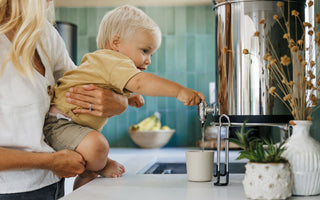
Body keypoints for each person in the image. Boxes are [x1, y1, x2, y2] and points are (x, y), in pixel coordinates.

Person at [44, 4, 205, 189]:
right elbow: (140, 82)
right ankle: (97, 167)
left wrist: (127, 99)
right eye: (144, 51)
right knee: (99, 146)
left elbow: (102, 87)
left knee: (97, 148)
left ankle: (90, 173)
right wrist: (178, 90)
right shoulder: (112, 60)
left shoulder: (107, 65)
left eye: (151, 53)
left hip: (68, 125)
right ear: (116, 43)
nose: (148, 60)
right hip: (61, 123)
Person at [0, 0, 128, 199]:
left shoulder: (44, 33)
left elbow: (78, 91)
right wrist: (48, 161)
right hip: (11, 191)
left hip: (53, 184)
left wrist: (119, 102)